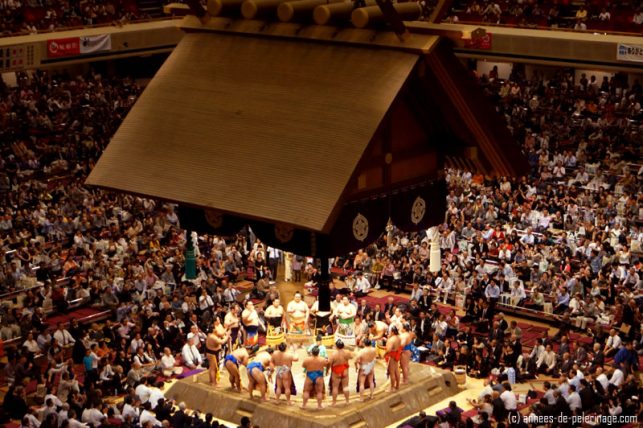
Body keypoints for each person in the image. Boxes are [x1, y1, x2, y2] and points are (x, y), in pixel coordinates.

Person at [328, 339, 353, 406]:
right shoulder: (347, 352)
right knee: (345, 386)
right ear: (343, 346)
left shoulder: (333, 354)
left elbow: (329, 363)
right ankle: (347, 401)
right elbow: (351, 357)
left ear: (336, 346)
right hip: (345, 371)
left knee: (335, 387)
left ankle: (334, 403)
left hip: (336, 372)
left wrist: (327, 370)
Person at [302, 345, 327, 410]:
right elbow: (326, 365)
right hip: (319, 376)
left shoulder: (307, 359)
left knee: (306, 391)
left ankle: (304, 405)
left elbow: (303, 366)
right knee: (319, 392)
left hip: (310, 375)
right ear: (318, 352)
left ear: (312, 352)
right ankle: (319, 406)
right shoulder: (322, 359)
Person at [206, 318, 228, 386]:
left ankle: (211, 380)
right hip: (211, 353)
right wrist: (227, 336)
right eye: (215, 329)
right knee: (214, 368)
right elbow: (222, 342)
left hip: (212, 352)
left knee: (211, 367)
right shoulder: (212, 336)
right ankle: (214, 383)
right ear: (213, 330)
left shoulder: (212, 335)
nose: (216, 330)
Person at [386, 326, 402, 391]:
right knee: (396, 370)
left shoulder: (392, 339)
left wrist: (384, 354)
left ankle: (392, 388)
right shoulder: (399, 337)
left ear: (392, 332)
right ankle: (397, 386)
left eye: (390, 331)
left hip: (392, 355)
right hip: (397, 354)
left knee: (392, 372)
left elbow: (388, 350)